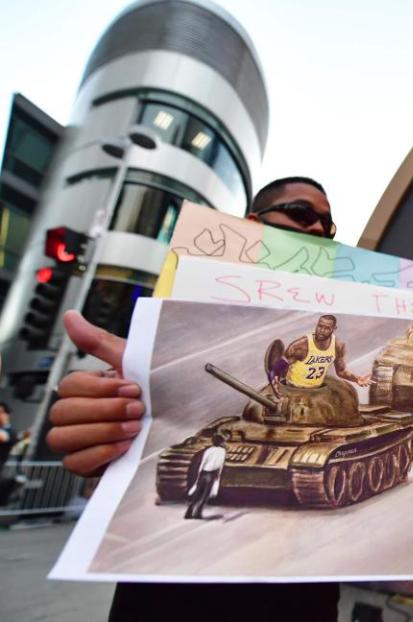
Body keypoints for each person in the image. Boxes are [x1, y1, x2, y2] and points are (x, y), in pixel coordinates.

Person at [46, 176, 341, 621]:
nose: (318, 230)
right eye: (301, 214)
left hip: (299, 600)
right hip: (169, 600)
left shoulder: (332, 324)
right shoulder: (178, 319)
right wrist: (111, 427)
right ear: (251, 224)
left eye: (328, 225)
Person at [277, 314, 371, 389]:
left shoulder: (337, 346)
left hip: (316, 390)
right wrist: (275, 378)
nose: (321, 330)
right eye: (320, 326)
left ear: (334, 329)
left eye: (327, 328)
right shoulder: (301, 345)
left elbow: (341, 372)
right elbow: (282, 366)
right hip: (294, 389)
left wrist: (357, 379)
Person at [184, 434, 226, 520]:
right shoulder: (222, 451)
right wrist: (218, 475)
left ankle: (189, 512)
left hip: (204, 472)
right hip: (213, 473)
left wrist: (199, 474)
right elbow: (220, 464)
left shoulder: (208, 450)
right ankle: (198, 513)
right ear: (221, 442)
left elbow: (203, 462)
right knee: (205, 495)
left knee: (197, 493)